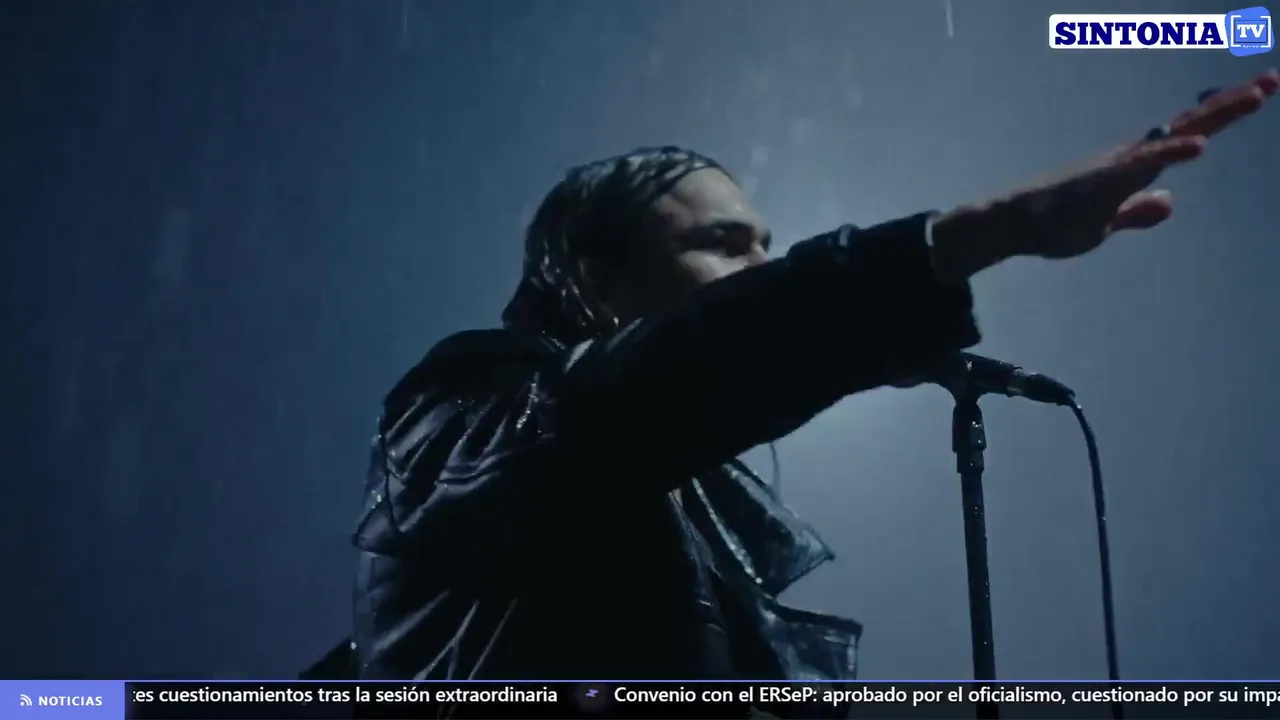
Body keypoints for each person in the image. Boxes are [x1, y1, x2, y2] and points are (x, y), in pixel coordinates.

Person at [342, 70, 1277, 691]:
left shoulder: (691, 505)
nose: (762, 269)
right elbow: (613, 409)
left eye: (768, 247)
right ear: (598, 276)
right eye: (723, 245)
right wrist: (970, 237)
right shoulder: (473, 401)